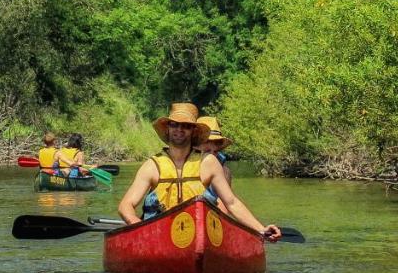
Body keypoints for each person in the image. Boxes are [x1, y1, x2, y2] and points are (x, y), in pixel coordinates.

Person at [118, 103, 282, 242]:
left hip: (199, 235)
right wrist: (137, 226)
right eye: (174, 124)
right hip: (157, 236)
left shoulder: (208, 162)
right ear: (167, 129)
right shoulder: (152, 166)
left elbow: (231, 202)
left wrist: (261, 229)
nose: (179, 129)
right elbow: (126, 205)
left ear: (193, 131)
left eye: (186, 126)